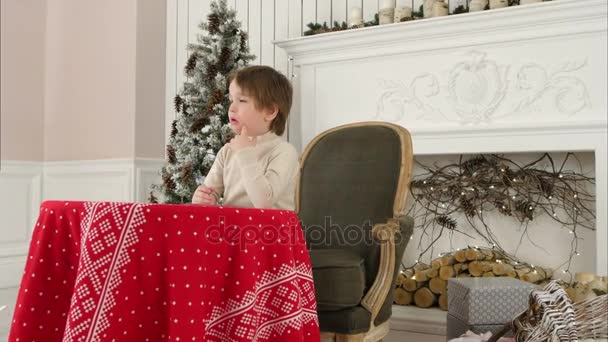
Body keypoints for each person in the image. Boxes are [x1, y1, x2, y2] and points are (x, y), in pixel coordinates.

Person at [191, 65, 299, 210]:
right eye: (231, 100)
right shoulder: (227, 151)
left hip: (270, 230)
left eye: (242, 100)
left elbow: (264, 203)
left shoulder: (283, 152)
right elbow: (210, 191)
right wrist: (202, 197)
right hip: (232, 229)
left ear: (270, 111)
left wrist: (245, 155)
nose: (232, 108)